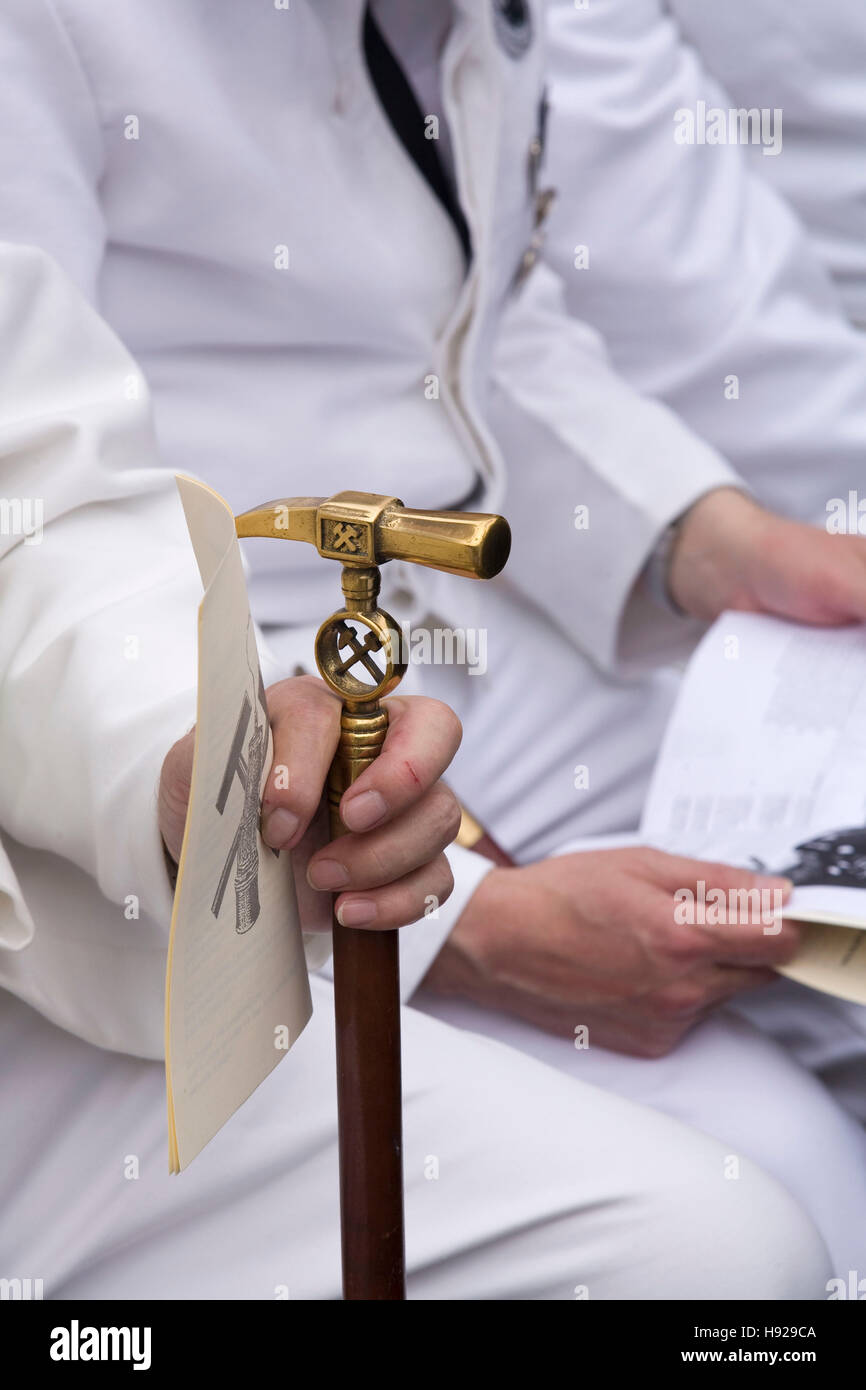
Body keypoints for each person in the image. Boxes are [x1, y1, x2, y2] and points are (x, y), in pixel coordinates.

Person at [0, 0, 862, 1296]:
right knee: (769, 1195)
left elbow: (470, 331)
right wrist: (468, 922)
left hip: (449, 631)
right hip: (229, 682)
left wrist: (703, 534)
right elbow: (39, 514)